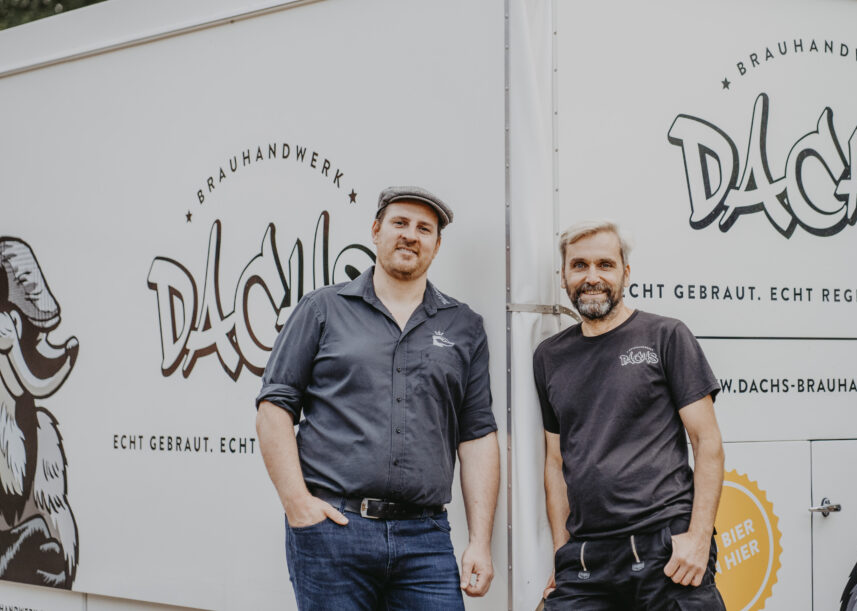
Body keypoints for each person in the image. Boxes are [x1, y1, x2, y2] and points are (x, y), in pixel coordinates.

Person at [256, 186, 499, 611]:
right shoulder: (322, 309)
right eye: (399, 223)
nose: (411, 235)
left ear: (436, 245)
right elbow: (274, 407)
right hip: (335, 530)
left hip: (425, 540)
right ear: (375, 231)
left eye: (424, 229)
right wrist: (297, 504)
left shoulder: (464, 326)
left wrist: (480, 541)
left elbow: (477, 434)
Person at [534, 220, 727, 610]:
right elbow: (555, 461)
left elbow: (707, 443)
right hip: (585, 560)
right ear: (563, 276)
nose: (592, 277)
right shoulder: (549, 356)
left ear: (625, 272)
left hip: (665, 550)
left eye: (605, 264)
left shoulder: (666, 336)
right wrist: (561, 553)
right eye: (579, 265)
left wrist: (698, 538)